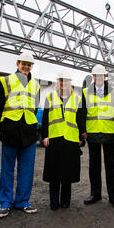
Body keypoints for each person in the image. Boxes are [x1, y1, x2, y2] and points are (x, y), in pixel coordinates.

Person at [0, 52, 40, 218]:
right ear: (17, 63)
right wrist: (3, 125)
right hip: (10, 129)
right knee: (7, 169)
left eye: (29, 64)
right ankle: (5, 203)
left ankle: (22, 201)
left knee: (26, 169)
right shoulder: (5, 81)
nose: (26, 66)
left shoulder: (36, 85)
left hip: (28, 130)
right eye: (23, 63)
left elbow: (34, 107)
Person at [80, 64, 114, 210]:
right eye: (96, 76)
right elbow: (82, 112)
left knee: (111, 166)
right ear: (93, 77)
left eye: (101, 76)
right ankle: (95, 194)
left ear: (105, 77)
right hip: (92, 132)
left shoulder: (113, 91)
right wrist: (83, 130)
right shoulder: (86, 92)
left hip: (109, 132)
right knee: (94, 166)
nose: (99, 78)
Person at [41, 72, 83, 210]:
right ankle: (54, 202)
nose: (63, 83)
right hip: (54, 138)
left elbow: (80, 121)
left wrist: (81, 138)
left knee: (67, 172)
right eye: (60, 81)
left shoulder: (77, 99)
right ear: (57, 83)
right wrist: (45, 136)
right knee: (54, 172)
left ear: (69, 83)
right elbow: (45, 119)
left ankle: (65, 201)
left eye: (66, 81)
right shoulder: (50, 97)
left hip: (71, 139)